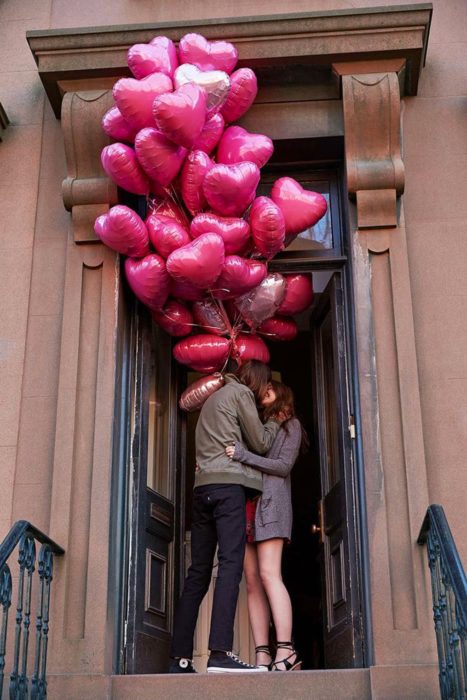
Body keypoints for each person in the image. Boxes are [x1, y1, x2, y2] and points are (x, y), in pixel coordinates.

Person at [169, 360, 282, 674]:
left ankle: (179, 659)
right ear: (257, 382)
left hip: (202, 489)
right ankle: (219, 653)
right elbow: (260, 441)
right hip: (228, 488)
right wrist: (273, 420)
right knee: (231, 565)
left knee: (198, 574)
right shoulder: (241, 393)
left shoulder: (211, 399)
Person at [225, 380, 306, 672]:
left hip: (272, 507)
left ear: (283, 392)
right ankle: (262, 655)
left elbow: (283, 467)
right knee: (252, 581)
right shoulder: (256, 426)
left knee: (270, 574)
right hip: (248, 504)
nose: (265, 389)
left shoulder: (291, 426)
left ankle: (286, 651)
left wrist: (244, 455)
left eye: (271, 385)